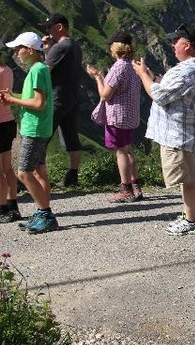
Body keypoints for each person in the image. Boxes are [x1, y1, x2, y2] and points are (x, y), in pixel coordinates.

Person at [132, 23, 195, 235]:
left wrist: (142, 75)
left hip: (179, 134)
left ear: (187, 45)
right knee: (189, 178)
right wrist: (152, 76)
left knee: (187, 180)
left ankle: (191, 221)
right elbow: (171, 89)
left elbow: (159, 95)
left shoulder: (186, 72)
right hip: (189, 130)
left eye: (176, 41)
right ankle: (189, 217)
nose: (172, 44)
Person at [0, 32, 56, 233]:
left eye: (18, 49)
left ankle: (46, 213)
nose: (16, 54)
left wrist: (13, 101)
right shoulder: (40, 68)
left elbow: (38, 103)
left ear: (30, 50)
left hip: (34, 128)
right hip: (41, 127)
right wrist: (12, 96)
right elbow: (34, 98)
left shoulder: (36, 71)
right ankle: (43, 213)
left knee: (23, 172)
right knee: (39, 170)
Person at [86, 31, 143, 203]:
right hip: (131, 114)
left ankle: (125, 189)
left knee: (121, 152)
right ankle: (136, 186)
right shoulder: (133, 66)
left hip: (117, 116)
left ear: (116, 48)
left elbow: (105, 95)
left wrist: (97, 78)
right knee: (128, 149)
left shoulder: (118, 67)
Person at [38, 13, 83, 187]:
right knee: (70, 135)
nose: (47, 31)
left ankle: (36, 176)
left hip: (56, 98)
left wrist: (44, 51)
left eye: (49, 27)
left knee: (42, 136)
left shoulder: (60, 47)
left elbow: (45, 71)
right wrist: (50, 48)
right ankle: (73, 175)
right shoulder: (75, 45)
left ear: (59, 27)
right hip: (72, 97)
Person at [0, 47, 19, 223]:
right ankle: (12, 204)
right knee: (7, 167)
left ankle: (2, 209)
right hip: (8, 122)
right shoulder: (7, 70)